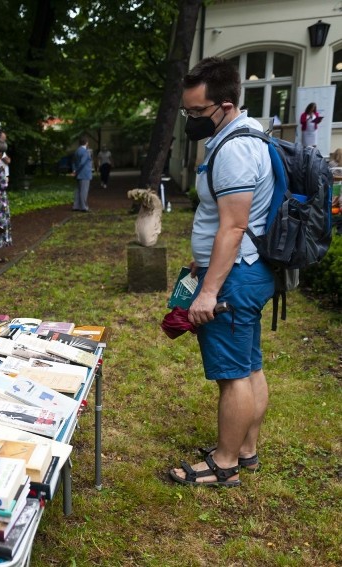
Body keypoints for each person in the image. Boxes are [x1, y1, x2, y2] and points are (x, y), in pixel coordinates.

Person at [169, 57, 276, 488]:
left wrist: (208, 291)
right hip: (250, 269)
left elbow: (233, 226)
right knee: (250, 366)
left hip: (234, 277)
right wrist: (202, 258)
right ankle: (246, 450)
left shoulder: (233, 150)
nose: (191, 120)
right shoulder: (251, 136)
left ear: (226, 105)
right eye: (187, 111)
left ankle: (225, 463)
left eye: (198, 112)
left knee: (232, 376)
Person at [72, 136, 93, 212]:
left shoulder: (77, 151)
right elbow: (82, 163)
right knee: (84, 191)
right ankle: (84, 207)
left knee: (78, 190)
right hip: (85, 174)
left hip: (78, 174)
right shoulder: (85, 152)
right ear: (87, 143)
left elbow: (74, 162)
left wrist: (74, 170)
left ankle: (76, 206)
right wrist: (77, 171)